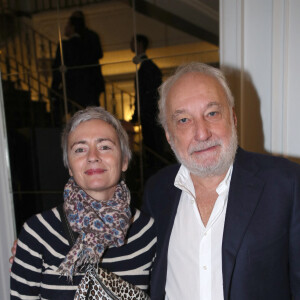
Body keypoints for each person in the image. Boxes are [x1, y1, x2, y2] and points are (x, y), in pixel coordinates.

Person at [142, 62, 300, 299]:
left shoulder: (286, 184)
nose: (202, 133)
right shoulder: (157, 191)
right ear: (169, 135)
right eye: (184, 120)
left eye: (212, 113)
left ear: (233, 118)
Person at [10, 107, 156, 299]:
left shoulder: (148, 233)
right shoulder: (38, 233)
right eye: (80, 149)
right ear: (70, 166)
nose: (93, 156)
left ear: (124, 161)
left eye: (104, 146)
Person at [130, 34, 164, 157]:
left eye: (133, 43)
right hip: (151, 112)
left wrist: (137, 113)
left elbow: (143, 93)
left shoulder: (147, 67)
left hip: (149, 112)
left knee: (152, 144)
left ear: (139, 45)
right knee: (153, 143)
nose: (130, 46)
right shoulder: (148, 66)